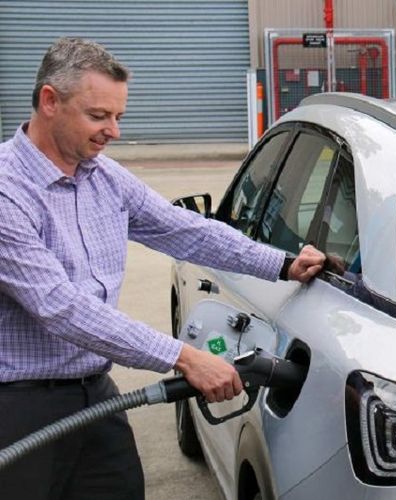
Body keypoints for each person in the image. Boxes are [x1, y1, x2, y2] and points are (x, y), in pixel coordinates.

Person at [0, 37, 325, 500]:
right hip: (18, 406)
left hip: (95, 394)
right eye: (98, 116)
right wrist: (184, 358)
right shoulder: (7, 190)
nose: (113, 131)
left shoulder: (104, 178)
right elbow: (60, 306)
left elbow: (187, 230)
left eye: (119, 117)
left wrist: (283, 263)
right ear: (50, 101)